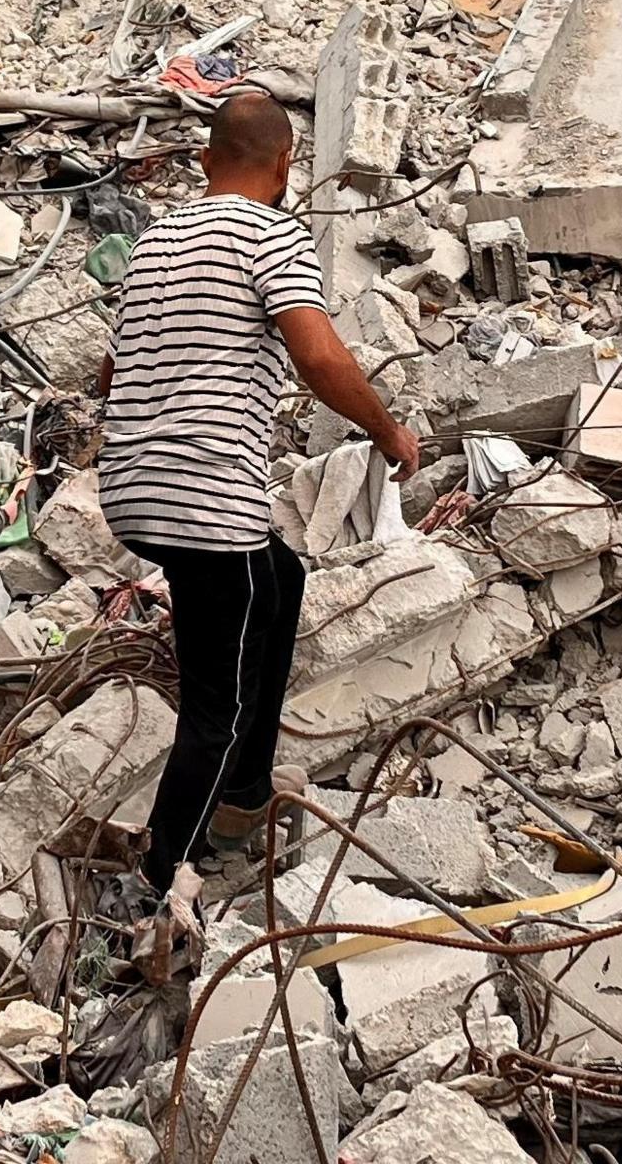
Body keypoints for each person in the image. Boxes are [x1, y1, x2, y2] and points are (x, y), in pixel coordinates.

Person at [93, 87, 421, 930]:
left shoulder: (158, 239)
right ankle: (160, 879)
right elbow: (314, 351)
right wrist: (387, 431)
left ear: (207, 162)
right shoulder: (274, 232)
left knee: (278, 580)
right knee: (219, 702)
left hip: (132, 486)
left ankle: (243, 792)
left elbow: (113, 369)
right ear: (284, 168)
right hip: (206, 495)